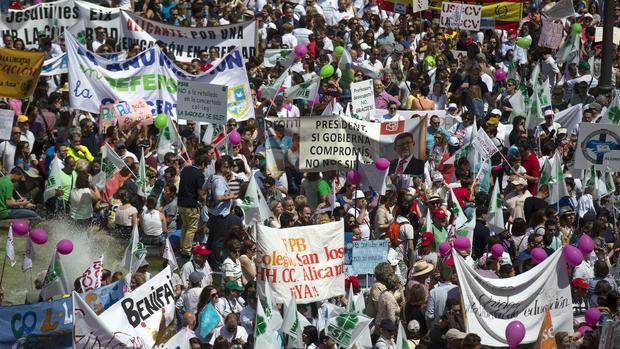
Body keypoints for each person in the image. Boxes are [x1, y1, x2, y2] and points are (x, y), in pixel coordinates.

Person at [178, 153, 207, 257]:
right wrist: (206, 199)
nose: (205, 168)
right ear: (203, 164)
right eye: (205, 166)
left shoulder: (185, 169)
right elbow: (201, 193)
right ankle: (186, 250)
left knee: (185, 226)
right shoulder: (199, 174)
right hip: (191, 204)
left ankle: (182, 247)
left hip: (181, 203)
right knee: (191, 228)